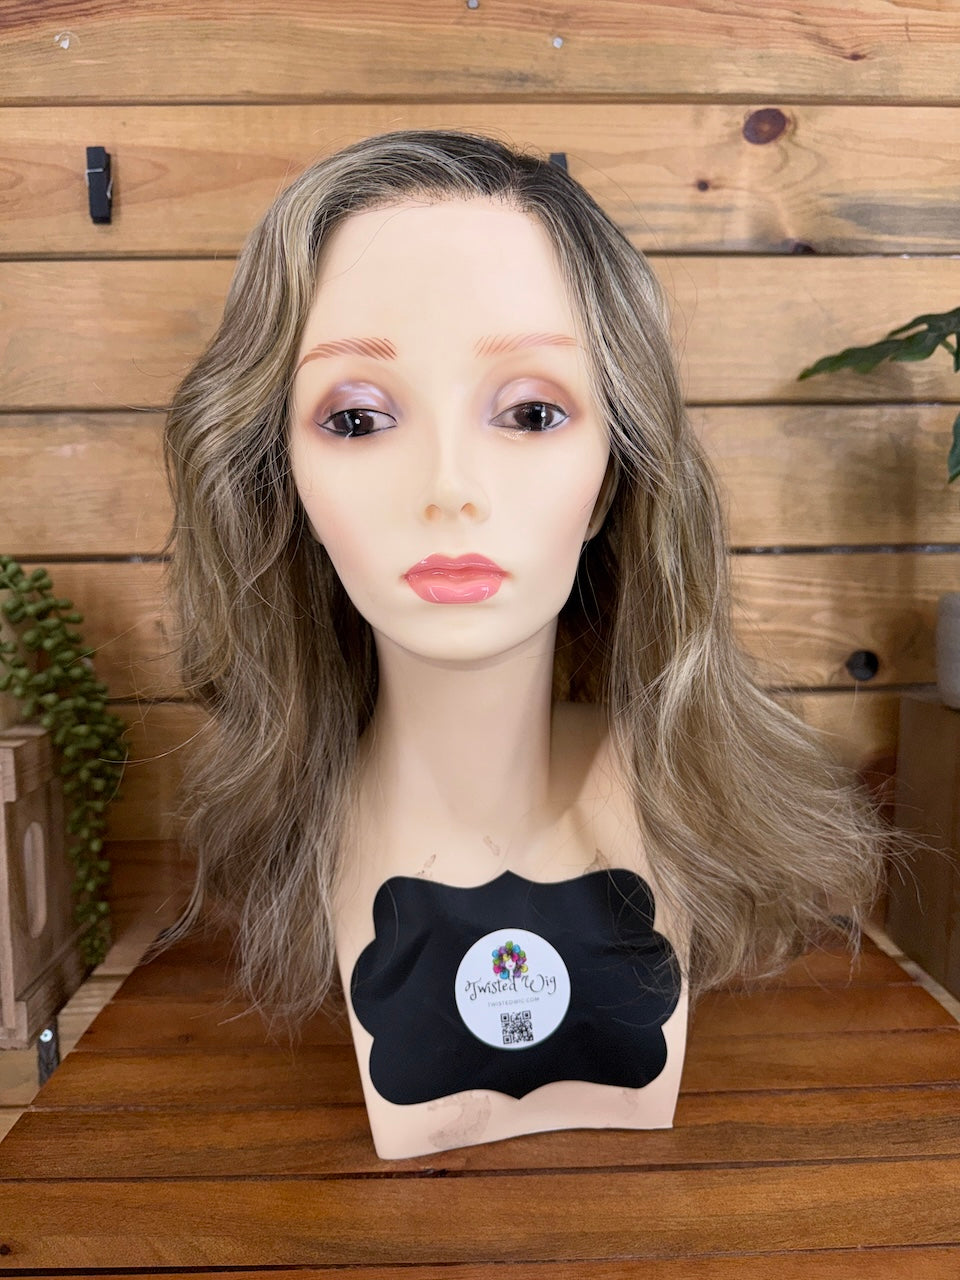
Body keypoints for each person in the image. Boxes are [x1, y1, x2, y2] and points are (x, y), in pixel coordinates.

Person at [150, 129, 907, 1158]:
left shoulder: (669, 801)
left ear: (611, 478)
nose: (449, 488)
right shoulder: (309, 824)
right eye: (359, 419)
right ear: (281, 482)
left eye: (532, 411)